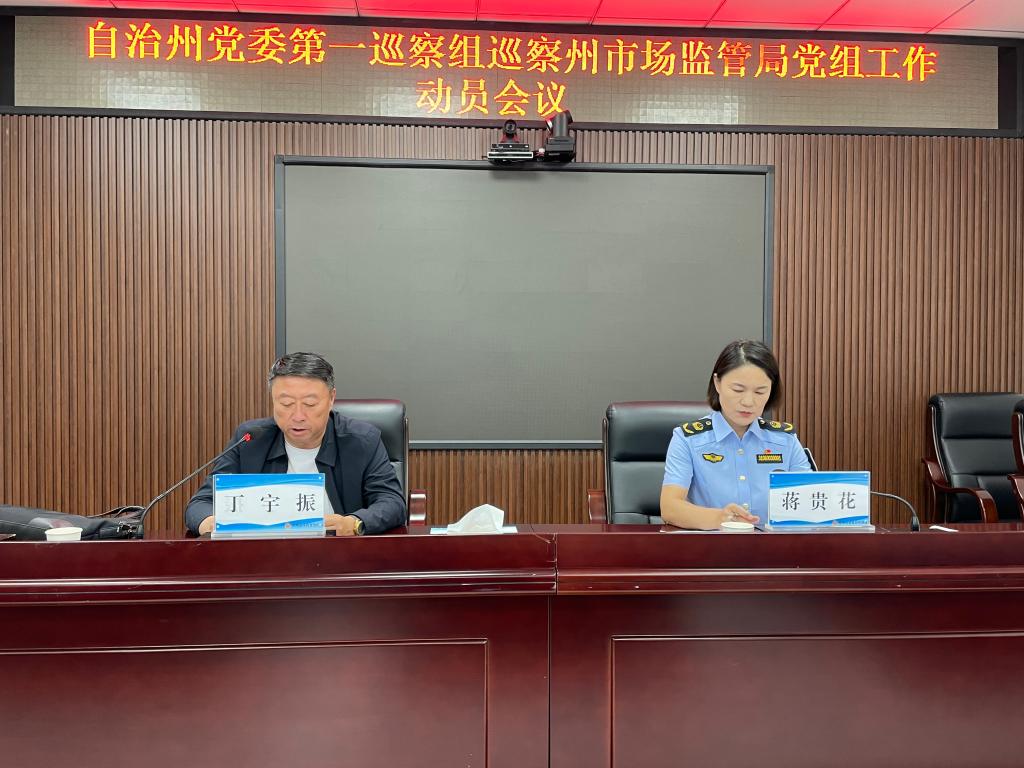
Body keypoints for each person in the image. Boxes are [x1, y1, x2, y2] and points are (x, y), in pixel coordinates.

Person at [185, 352, 407, 536]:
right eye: (286, 403)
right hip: (266, 559)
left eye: (310, 404)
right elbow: (201, 504)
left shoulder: (361, 440)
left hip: (341, 559)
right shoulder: (250, 440)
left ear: (331, 398)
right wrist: (209, 521)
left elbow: (392, 502)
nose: (298, 416)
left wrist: (355, 522)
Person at [660, 340, 811, 530]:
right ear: (717, 383)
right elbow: (670, 508)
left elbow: (810, 500)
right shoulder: (688, 439)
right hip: (711, 545)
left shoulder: (785, 440)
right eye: (738, 390)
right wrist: (720, 518)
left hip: (774, 545)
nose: (748, 401)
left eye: (760, 392)